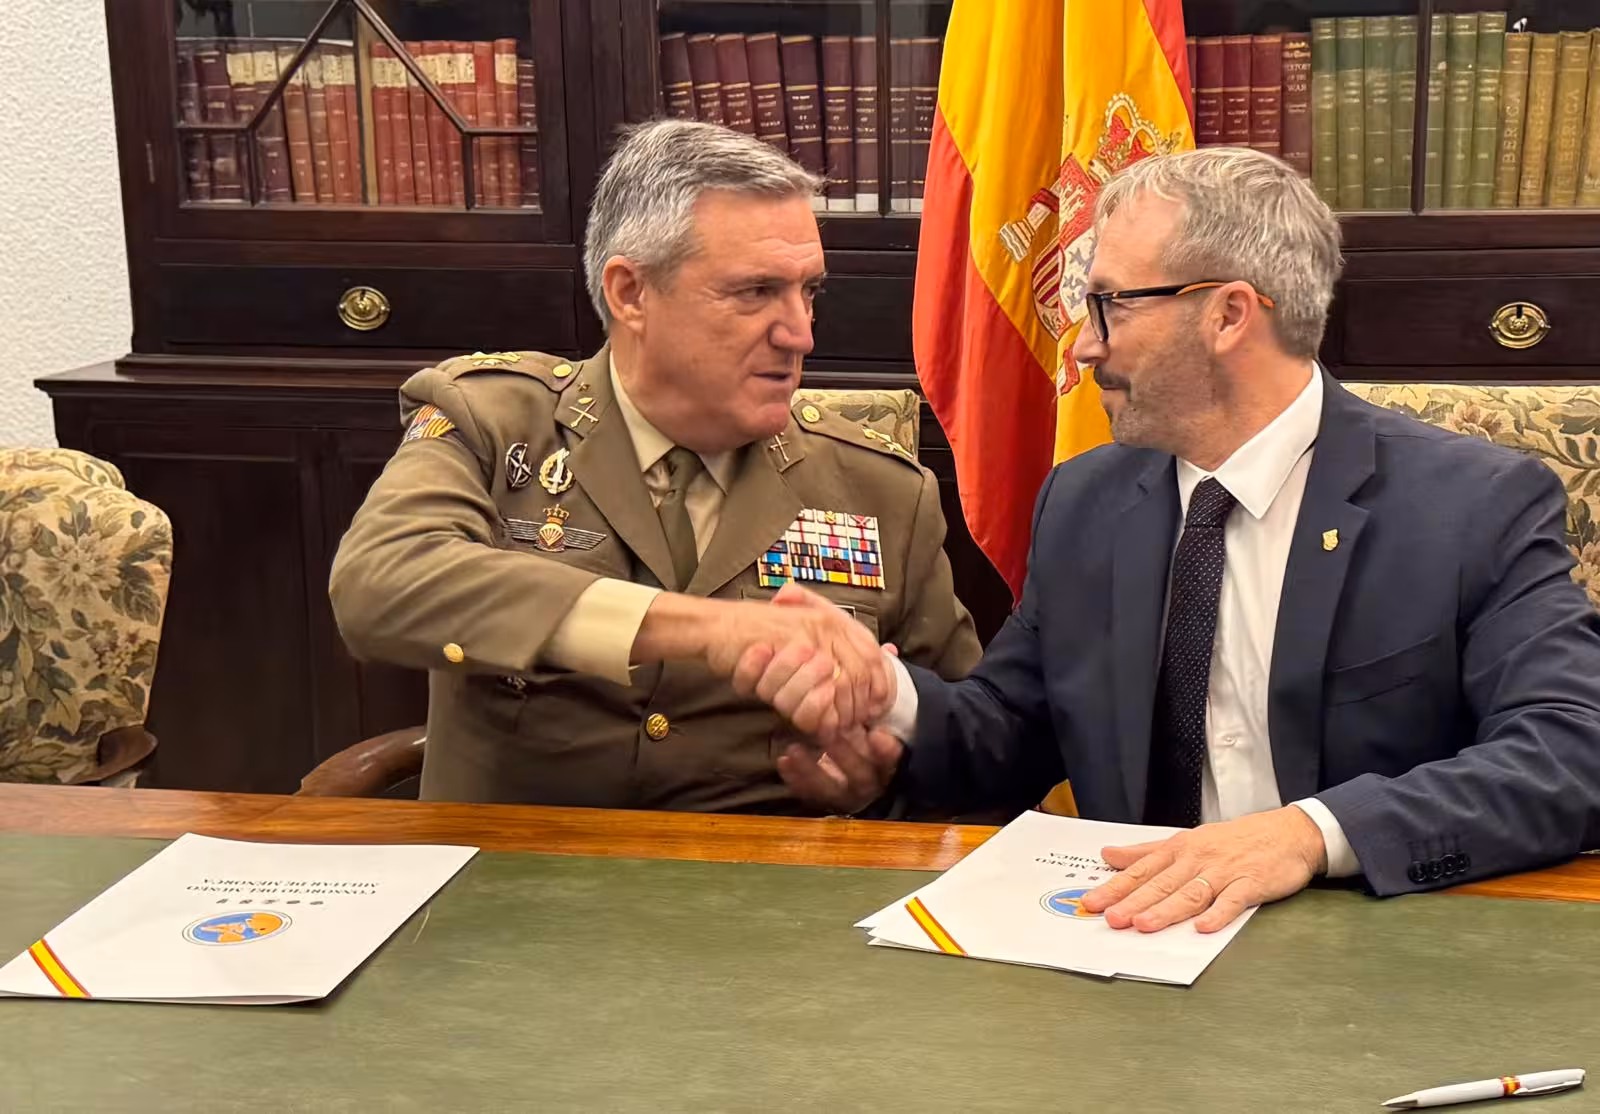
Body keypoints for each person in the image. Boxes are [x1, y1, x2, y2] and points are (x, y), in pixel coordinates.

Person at [740, 146, 1600, 927]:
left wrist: (1309, 834)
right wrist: (884, 695)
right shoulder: (1086, 501)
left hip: (1374, 952)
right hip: (1133, 946)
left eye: (1109, 306)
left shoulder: (1468, 506)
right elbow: (1009, 732)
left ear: (1228, 315)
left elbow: (1571, 751)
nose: (1083, 349)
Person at [329, 119, 980, 811]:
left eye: (808, 291)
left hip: (761, 870)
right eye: (756, 291)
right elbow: (379, 583)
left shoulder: (881, 488)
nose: (800, 334)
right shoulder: (493, 421)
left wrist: (886, 784)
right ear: (630, 293)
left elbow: (971, 743)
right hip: (513, 861)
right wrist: (710, 628)